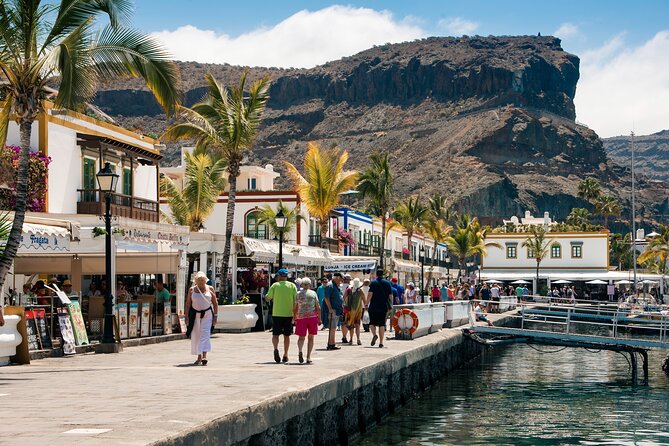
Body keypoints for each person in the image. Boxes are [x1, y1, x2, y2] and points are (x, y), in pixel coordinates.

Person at [185, 271, 218, 365]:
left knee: (205, 334)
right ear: (195, 280)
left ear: (205, 280)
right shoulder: (191, 290)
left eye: (202, 279)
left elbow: (215, 304)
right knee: (196, 335)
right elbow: (188, 304)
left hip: (207, 315)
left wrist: (215, 317)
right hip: (195, 315)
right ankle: (198, 356)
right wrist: (186, 317)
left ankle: (204, 356)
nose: (200, 281)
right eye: (198, 279)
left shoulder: (210, 288)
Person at [265, 268, 298, 363]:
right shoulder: (292, 286)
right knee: (287, 336)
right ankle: (285, 354)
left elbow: (268, 298)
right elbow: (296, 300)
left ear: (279, 276)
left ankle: (275, 349)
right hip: (288, 314)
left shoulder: (275, 285)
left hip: (277, 313)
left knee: (275, 334)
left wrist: (267, 298)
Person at [293, 277, 320, 364]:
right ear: (309, 284)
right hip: (312, 317)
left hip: (301, 317)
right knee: (311, 338)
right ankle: (308, 357)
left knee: (301, 338)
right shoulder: (313, 293)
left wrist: (294, 317)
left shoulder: (298, 294)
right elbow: (318, 306)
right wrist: (319, 318)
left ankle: (300, 350)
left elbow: (295, 307)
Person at [366, 269, 392, 348]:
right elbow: (390, 296)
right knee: (382, 324)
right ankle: (381, 342)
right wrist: (391, 305)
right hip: (383, 306)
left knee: (372, 323)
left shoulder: (373, 283)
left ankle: (374, 335)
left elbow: (370, 294)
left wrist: (366, 303)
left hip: (373, 306)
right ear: (383, 274)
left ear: (376, 274)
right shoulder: (387, 283)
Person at [323, 272, 344, 350]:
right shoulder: (330, 285)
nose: (341, 281)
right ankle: (330, 344)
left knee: (333, 327)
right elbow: (326, 298)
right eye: (341, 279)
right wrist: (330, 308)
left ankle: (332, 343)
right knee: (332, 327)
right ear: (337, 278)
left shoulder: (335, 286)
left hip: (336, 309)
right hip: (333, 310)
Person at [344, 278, 364, 345]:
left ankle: (351, 339)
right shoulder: (360, 291)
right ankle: (358, 339)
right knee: (357, 325)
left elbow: (344, 298)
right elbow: (365, 300)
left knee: (351, 325)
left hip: (350, 311)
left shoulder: (349, 290)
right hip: (358, 310)